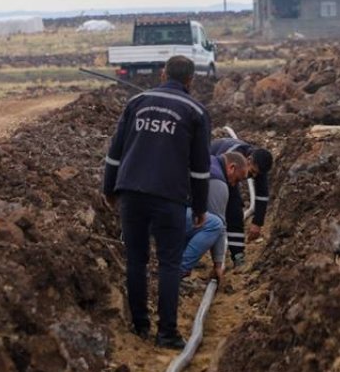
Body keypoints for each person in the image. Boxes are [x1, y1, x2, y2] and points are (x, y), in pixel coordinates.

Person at [103, 55, 212, 350]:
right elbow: (201, 168)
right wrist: (201, 207)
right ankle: (167, 333)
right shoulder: (195, 111)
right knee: (168, 263)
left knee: (136, 260)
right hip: (169, 198)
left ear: (163, 74)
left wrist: (109, 189)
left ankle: (140, 325)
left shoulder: (137, 102)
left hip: (131, 193)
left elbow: (115, 152)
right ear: (190, 79)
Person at [179, 151, 249, 283]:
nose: (234, 185)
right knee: (214, 224)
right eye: (237, 179)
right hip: (171, 216)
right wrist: (218, 264)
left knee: (201, 222)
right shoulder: (218, 182)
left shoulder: (209, 161)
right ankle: (179, 269)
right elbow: (219, 227)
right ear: (231, 167)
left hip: (162, 209)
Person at [209, 137, 275, 268]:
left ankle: (237, 255)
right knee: (218, 215)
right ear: (248, 160)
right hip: (211, 176)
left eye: (257, 174)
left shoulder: (258, 163)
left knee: (235, 212)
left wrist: (257, 222)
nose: (253, 177)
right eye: (252, 172)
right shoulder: (230, 155)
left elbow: (262, 195)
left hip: (226, 177)